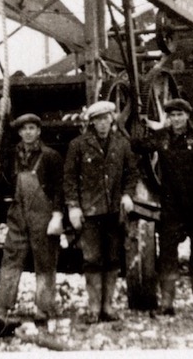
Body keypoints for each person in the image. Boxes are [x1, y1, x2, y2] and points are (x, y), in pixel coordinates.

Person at [133, 97, 193, 316]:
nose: (176, 119)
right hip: (172, 207)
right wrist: (132, 126)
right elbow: (138, 146)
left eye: (180, 115)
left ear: (187, 116)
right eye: (172, 115)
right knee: (167, 254)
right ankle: (167, 304)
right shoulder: (161, 138)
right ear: (167, 118)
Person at [64, 100, 138, 323]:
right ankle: (94, 308)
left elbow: (131, 174)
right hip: (91, 212)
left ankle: (108, 306)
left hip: (114, 211)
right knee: (92, 259)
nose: (102, 124)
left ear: (111, 120)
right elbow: (69, 179)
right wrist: (74, 207)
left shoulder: (122, 144)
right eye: (97, 120)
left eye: (105, 119)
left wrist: (127, 194)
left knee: (113, 259)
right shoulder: (78, 145)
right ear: (92, 123)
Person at [0, 113, 64, 323]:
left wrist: (57, 216)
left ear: (39, 131)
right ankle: (2, 307)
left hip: (43, 215)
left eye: (32, 128)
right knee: (11, 259)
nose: (28, 132)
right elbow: (3, 183)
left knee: (45, 261)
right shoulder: (12, 155)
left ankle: (44, 309)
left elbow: (59, 189)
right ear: (20, 133)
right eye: (24, 129)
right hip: (18, 215)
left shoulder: (50, 156)